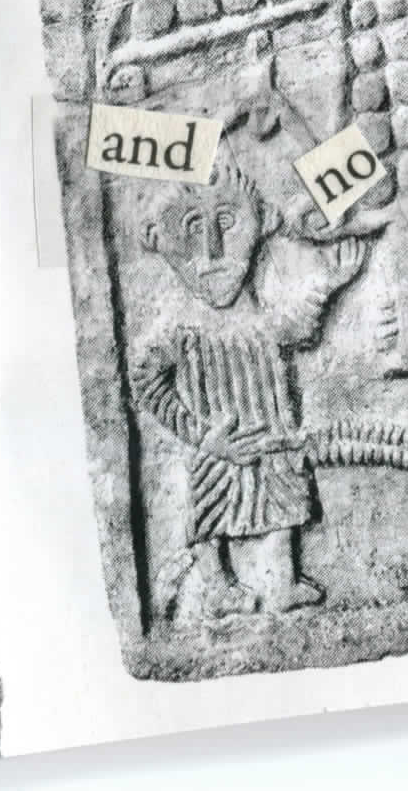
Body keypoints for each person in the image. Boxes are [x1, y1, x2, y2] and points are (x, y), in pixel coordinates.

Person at [129, 159, 363, 619]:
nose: (212, 250)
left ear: (264, 223)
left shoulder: (262, 320)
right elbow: (145, 381)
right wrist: (202, 436)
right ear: (158, 239)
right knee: (210, 512)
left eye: (228, 222)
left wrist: (330, 284)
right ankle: (216, 586)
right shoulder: (181, 332)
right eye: (192, 228)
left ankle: (285, 581)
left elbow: (298, 328)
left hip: (272, 437)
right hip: (221, 444)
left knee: (286, 502)